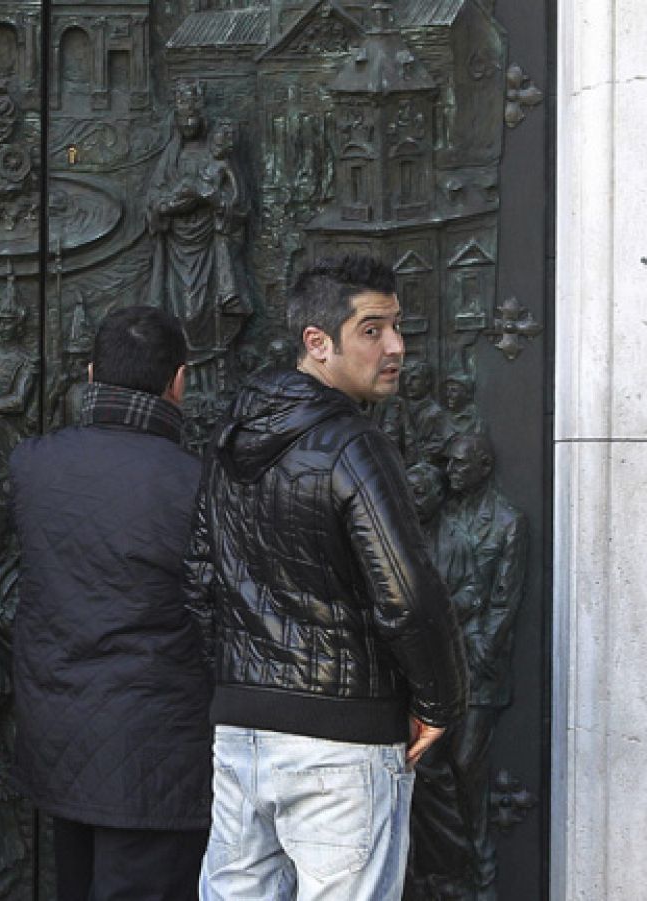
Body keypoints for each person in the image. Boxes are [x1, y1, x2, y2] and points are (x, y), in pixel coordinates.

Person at [184, 255, 468, 901]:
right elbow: (408, 596)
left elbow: (200, 578)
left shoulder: (232, 435)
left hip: (243, 731)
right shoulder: (351, 444)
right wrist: (440, 704)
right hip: (342, 743)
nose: (395, 346)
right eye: (372, 329)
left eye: (398, 327)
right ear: (318, 342)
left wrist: (240, 684)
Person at [10, 305, 212, 901]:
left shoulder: (33, 464)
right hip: (157, 751)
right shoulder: (197, 482)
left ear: (92, 374)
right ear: (179, 381)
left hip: (59, 733)